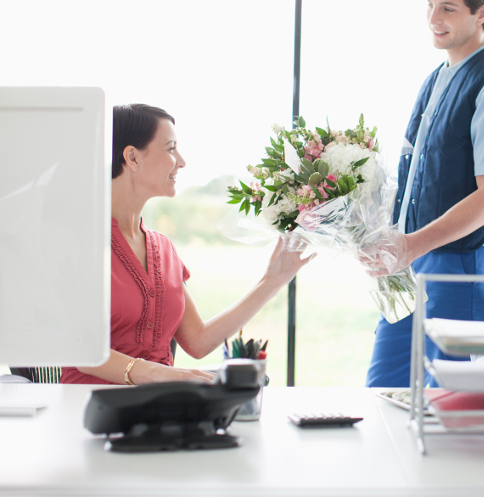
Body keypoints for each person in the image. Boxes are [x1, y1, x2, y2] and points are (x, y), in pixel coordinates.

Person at [362, 0, 484, 387]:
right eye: (430, 5)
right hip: (413, 263)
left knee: (452, 408)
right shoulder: (437, 77)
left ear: (482, 13)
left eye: (448, 8)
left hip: (463, 268)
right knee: (384, 391)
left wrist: (410, 245)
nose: (433, 18)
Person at [60, 104, 315, 385]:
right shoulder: (75, 242)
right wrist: (158, 373)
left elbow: (198, 341)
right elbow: (75, 346)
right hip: (87, 409)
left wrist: (274, 278)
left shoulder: (163, 249)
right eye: (170, 148)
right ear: (132, 157)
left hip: (158, 408)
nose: (181, 161)